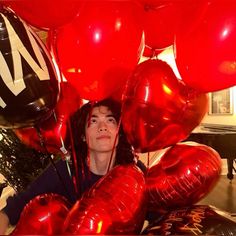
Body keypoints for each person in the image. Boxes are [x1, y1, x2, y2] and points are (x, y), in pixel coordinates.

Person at [0, 98, 146, 234]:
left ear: (119, 133)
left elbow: (160, 214)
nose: (102, 127)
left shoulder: (134, 172)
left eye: (110, 120)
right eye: (93, 121)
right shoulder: (66, 170)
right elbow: (12, 209)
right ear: (83, 136)